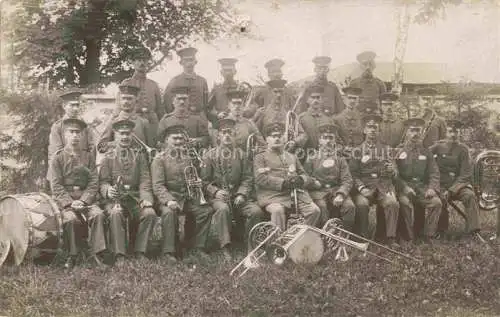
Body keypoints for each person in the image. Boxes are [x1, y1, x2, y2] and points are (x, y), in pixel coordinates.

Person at [98, 118, 157, 265]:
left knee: (149, 213)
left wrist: (146, 199)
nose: (125, 137)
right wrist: (108, 191)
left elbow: (145, 180)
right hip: (114, 200)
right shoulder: (107, 157)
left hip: (134, 199)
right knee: (116, 213)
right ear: (115, 136)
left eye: (128, 134)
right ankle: (120, 254)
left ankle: (140, 251)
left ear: (132, 135)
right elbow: (102, 181)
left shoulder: (140, 155)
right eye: (121, 134)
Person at [151, 124, 213, 262]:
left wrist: (197, 183)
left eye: (181, 138)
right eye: (175, 138)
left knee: (206, 210)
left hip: (187, 198)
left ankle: (197, 247)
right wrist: (168, 200)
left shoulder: (189, 158)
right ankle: (168, 251)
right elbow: (158, 186)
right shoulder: (159, 159)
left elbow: (195, 177)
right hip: (168, 198)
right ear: (167, 140)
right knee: (168, 212)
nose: (179, 141)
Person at [49, 118, 106, 268]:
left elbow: (94, 182)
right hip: (66, 202)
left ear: (81, 136)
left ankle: (96, 253)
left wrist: (84, 200)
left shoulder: (88, 157)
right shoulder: (58, 158)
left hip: (86, 200)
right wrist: (70, 202)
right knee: (70, 219)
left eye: (77, 133)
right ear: (65, 134)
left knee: (98, 215)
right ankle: (72, 255)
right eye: (71, 132)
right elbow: (56, 185)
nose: (74, 135)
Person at [201, 117, 265, 249]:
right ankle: (225, 245)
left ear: (235, 134)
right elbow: (203, 181)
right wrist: (216, 191)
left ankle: (249, 241)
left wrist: (241, 194)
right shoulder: (209, 156)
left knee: (256, 211)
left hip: (237, 196)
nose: (227, 136)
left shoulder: (242, 155)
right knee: (223, 209)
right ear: (218, 135)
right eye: (224, 133)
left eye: (230, 132)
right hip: (218, 198)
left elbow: (248, 178)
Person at [253, 122, 321, 231]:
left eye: (279, 136)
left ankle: (297, 238)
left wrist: (301, 180)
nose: (277, 139)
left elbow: (304, 174)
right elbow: (260, 179)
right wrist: (282, 183)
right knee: (277, 210)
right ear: (266, 139)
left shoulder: (291, 156)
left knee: (314, 211)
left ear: (283, 138)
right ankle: (278, 242)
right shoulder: (260, 157)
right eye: (273, 136)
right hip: (272, 196)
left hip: (295, 195)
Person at [350, 114, 399, 243]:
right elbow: (353, 174)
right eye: (369, 127)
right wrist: (361, 188)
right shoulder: (357, 150)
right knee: (361, 204)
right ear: (364, 130)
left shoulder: (387, 149)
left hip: (384, 186)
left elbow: (395, 172)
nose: (372, 130)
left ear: (379, 131)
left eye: (375, 128)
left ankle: (390, 237)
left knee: (392, 203)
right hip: (365, 187)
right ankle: (363, 237)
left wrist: (392, 171)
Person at [430, 119, 480, 236]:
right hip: (441, 184)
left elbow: (466, 174)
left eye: (456, 132)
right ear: (446, 132)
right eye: (450, 131)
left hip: (459, 185)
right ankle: (441, 229)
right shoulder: (438, 146)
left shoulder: (463, 149)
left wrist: (452, 190)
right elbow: (424, 156)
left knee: (470, 196)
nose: (453, 135)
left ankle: (474, 230)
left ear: (459, 133)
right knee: (440, 198)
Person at [395, 118, 442, 242]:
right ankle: (408, 237)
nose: (415, 134)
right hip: (404, 188)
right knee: (405, 203)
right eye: (412, 130)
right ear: (407, 132)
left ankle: (428, 235)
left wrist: (432, 188)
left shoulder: (426, 152)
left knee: (436, 203)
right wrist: (404, 187)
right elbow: (394, 175)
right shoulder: (398, 151)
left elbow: (434, 172)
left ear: (421, 133)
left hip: (421, 188)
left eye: (418, 131)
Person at [303, 122, 355, 229]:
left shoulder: (340, 159)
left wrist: (341, 194)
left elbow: (347, 180)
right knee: (321, 207)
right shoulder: (311, 158)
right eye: (325, 138)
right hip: (318, 191)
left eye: (331, 138)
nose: (328, 141)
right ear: (319, 140)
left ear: (334, 140)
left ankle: (344, 236)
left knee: (349, 206)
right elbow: (305, 178)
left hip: (335, 190)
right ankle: (323, 237)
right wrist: (313, 182)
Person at [47, 90, 95, 184]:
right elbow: (56, 152)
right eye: (72, 105)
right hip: (62, 173)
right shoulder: (57, 127)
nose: (75, 108)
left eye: (77, 105)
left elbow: (92, 150)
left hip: (83, 172)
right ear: (64, 106)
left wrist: (86, 170)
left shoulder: (86, 127)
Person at [121, 50, 163, 147]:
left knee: (153, 149)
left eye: (144, 60)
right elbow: (120, 108)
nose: (142, 63)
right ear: (133, 63)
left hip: (153, 123)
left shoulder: (153, 85)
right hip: (134, 123)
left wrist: (162, 128)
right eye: (138, 60)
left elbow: (160, 109)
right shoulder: (126, 83)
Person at [97, 84, 153, 153]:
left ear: (136, 100)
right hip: (119, 161)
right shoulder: (113, 122)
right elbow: (101, 147)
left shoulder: (144, 122)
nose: (126, 102)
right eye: (123, 98)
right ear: (120, 101)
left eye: (129, 99)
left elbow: (151, 148)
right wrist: (117, 143)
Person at [163, 47, 209, 122]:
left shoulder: (202, 81)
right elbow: (167, 103)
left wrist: (204, 117)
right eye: (186, 60)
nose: (189, 63)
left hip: (200, 119)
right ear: (181, 62)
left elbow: (206, 104)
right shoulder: (174, 81)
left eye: (191, 60)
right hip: (181, 119)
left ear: (195, 62)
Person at [157, 86, 210, 150]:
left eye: (185, 99)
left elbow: (206, 139)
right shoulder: (166, 120)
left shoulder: (197, 119)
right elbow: (159, 143)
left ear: (189, 101)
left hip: (191, 156)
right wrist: (170, 144)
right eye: (179, 99)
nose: (182, 102)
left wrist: (197, 141)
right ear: (173, 101)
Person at [296, 85, 337, 153]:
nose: (316, 100)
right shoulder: (301, 118)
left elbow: (335, 140)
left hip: (324, 156)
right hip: (305, 155)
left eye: (318, 97)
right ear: (307, 100)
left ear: (322, 100)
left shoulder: (328, 120)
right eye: (313, 97)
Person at [207, 58, 240, 125]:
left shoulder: (241, 88)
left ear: (235, 71)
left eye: (230, 70)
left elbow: (249, 107)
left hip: (238, 123)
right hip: (221, 124)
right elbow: (207, 109)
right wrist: (217, 114)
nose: (228, 73)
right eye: (225, 70)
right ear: (221, 72)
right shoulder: (217, 89)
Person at [335, 87, 365, 151]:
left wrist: (360, 148)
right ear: (344, 100)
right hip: (344, 153)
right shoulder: (337, 119)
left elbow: (367, 137)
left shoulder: (363, 118)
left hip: (361, 152)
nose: (352, 101)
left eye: (355, 98)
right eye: (349, 98)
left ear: (358, 100)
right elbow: (336, 139)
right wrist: (343, 148)